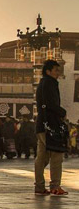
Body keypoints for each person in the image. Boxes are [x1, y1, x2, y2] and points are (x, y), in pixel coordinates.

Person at [34, 59, 68, 196]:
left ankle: (39, 186)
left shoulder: (42, 83)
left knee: (41, 156)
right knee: (56, 156)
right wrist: (62, 112)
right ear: (48, 71)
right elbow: (51, 104)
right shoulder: (49, 83)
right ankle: (55, 185)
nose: (58, 73)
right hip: (51, 125)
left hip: (42, 124)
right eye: (56, 70)